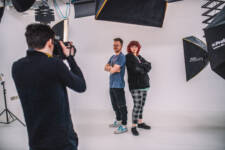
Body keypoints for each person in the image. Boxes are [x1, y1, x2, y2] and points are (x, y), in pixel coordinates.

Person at [12, 23, 86, 150]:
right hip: (62, 142)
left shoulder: (17, 66)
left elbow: (41, 70)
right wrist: (70, 58)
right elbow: (81, 86)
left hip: (36, 142)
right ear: (50, 42)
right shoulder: (55, 65)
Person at [126, 41, 152, 136]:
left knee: (141, 105)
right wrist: (144, 68)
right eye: (132, 46)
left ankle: (140, 123)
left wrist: (143, 67)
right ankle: (134, 126)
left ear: (138, 48)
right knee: (137, 105)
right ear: (129, 48)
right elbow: (134, 69)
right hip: (135, 85)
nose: (134, 48)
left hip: (144, 84)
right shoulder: (128, 57)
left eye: (136, 47)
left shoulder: (139, 57)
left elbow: (149, 65)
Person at [104, 38, 128, 134]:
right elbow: (105, 67)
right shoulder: (112, 57)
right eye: (114, 45)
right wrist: (113, 68)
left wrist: (112, 69)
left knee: (122, 106)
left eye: (117, 45)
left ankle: (124, 125)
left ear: (121, 46)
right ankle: (118, 121)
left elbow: (113, 70)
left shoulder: (122, 57)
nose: (115, 47)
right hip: (112, 85)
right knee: (115, 105)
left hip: (119, 85)